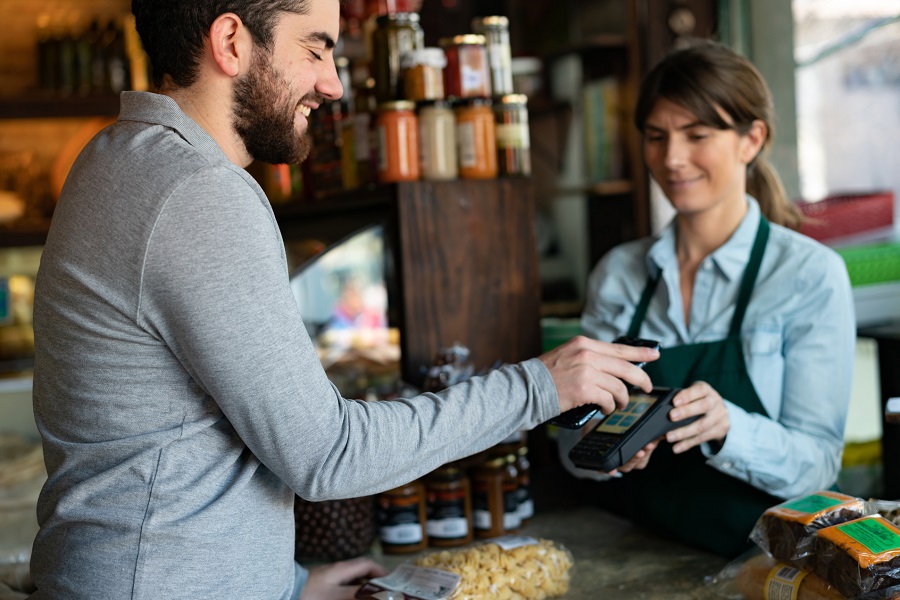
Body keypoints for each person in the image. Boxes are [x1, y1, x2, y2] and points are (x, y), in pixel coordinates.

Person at [27, 1, 660, 599]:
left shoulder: (113, 157)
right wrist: (539, 387)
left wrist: (291, 584)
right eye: (315, 49)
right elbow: (328, 454)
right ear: (230, 43)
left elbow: (169, 445)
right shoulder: (200, 190)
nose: (333, 84)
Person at [557, 40, 856, 558]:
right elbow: (568, 442)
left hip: (767, 567)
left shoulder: (808, 275)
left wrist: (729, 428)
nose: (672, 159)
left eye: (696, 135)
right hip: (643, 555)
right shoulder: (619, 276)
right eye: (656, 137)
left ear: (751, 139)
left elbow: (817, 464)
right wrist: (604, 448)